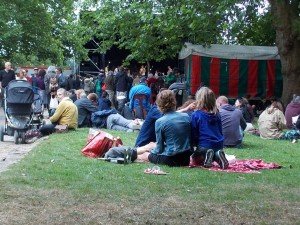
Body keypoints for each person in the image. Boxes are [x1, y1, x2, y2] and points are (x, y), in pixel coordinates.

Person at [135, 90, 192, 167]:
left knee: (144, 154)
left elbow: (159, 149)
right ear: (174, 102)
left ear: (159, 105)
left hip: (172, 159)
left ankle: (131, 155)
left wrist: (150, 150)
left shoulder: (160, 121)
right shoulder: (186, 116)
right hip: (186, 158)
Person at [190, 87, 228, 169]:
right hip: (219, 144)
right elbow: (220, 130)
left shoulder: (196, 114)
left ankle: (206, 155)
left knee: (194, 159)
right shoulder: (217, 113)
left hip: (204, 144)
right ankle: (217, 155)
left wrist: (193, 145)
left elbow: (194, 133)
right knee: (213, 151)